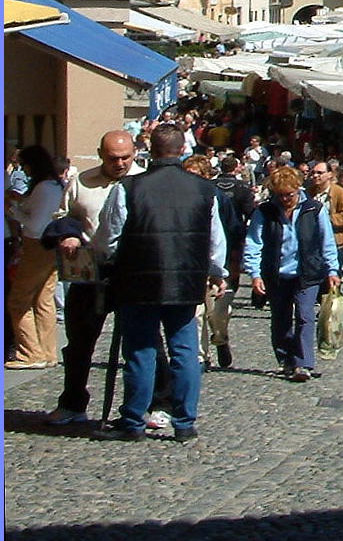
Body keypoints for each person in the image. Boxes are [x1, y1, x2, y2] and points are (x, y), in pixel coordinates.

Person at [93, 124, 226, 442]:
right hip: (184, 281)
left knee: (140, 351)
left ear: (149, 149)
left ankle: (133, 420)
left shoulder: (128, 188)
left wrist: (107, 261)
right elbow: (215, 242)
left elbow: (108, 239)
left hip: (137, 280)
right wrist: (216, 273)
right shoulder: (204, 190)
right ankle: (184, 422)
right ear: (183, 150)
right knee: (184, 350)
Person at [41, 131, 139, 422]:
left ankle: (152, 404)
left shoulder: (143, 182)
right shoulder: (81, 182)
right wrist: (68, 235)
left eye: (125, 157)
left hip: (130, 271)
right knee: (80, 341)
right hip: (89, 269)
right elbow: (61, 216)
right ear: (100, 154)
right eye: (113, 158)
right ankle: (72, 403)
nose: (120, 164)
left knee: (143, 343)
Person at [245, 165, 339, 382]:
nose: (286, 199)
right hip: (276, 274)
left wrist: (332, 269)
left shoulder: (314, 209)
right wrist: (255, 274)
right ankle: (286, 358)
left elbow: (327, 241)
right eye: (281, 195)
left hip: (307, 272)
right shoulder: (265, 212)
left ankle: (303, 363)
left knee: (305, 316)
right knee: (281, 318)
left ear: (298, 189)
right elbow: (254, 243)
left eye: (290, 194)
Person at [6, 145, 67, 369]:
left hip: (36, 245)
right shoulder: (52, 185)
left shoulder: (44, 187)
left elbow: (34, 223)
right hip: (47, 245)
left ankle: (30, 352)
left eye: (25, 165)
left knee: (19, 300)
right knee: (43, 299)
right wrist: (19, 203)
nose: (24, 170)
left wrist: (11, 209)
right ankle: (47, 351)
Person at [183, 154, 239, 370]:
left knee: (215, 313)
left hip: (217, 262)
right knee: (197, 313)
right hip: (195, 267)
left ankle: (221, 339)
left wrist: (227, 266)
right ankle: (200, 356)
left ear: (206, 176)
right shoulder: (181, 198)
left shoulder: (218, 198)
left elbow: (229, 232)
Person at [211, 153, 255, 299]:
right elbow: (250, 211)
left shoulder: (210, 185)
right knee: (233, 261)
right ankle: (230, 288)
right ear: (235, 168)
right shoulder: (242, 187)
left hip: (214, 227)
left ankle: (216, 284)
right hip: (234, 230)